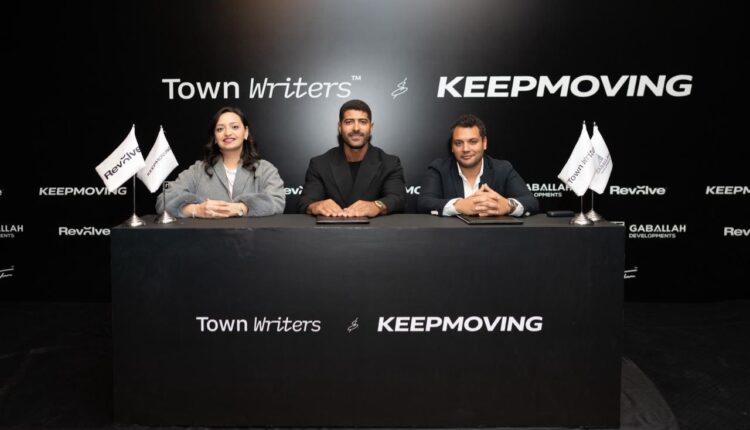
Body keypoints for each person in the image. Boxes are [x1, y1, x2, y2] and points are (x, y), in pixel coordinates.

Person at [156, 106, 285, 218]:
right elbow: (164, 200)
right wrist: (196, 210)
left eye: (235, 127)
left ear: (245, 132)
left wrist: (242, 208)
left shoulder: (265, 169)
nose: (228, 133)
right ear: (215, 138)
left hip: (252, 238)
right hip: (207, 238)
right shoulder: (198, 170)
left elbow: (277, 202)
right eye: (220, 129)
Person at [297, 99, 405, 217]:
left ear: (371, 127)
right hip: (332, 229)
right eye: (349, 122)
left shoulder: (389, 163)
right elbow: (306, 201)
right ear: (340, 127)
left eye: (363, 122)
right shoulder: (320, 164)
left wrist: (376, 205)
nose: (356, 128)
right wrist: (315, 206)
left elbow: (397, 198)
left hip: (374, 229)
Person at [417, 114, 539, 217]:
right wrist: (458, 206)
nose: (465, 149)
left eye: (473, 142)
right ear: (452, 147)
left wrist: (508, 206)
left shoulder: (502, 169)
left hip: (494, 236)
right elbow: (424, 203)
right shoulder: (439, 169)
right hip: (451, 237)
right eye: (458, 143)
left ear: (484, 143)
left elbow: (531, 202)